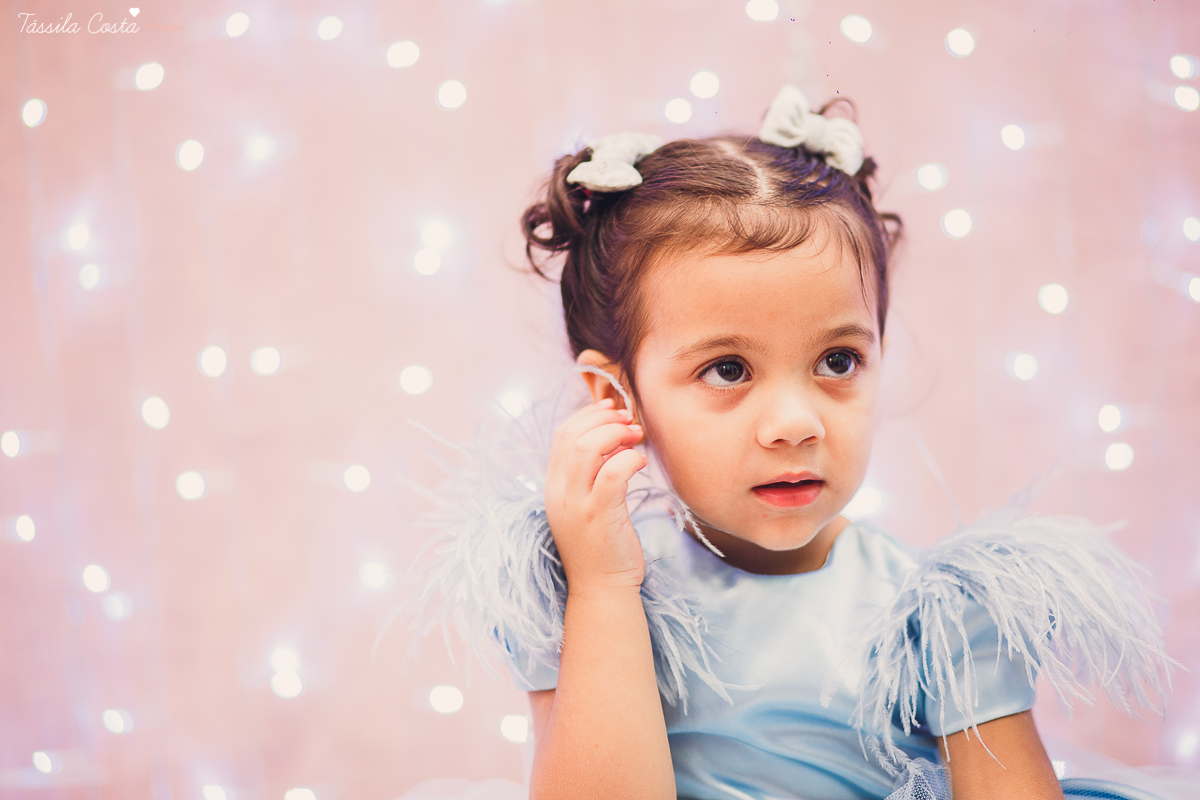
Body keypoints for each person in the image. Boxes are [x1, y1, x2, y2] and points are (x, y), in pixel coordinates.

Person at [406, 86, 1191, 800]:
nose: (795, 422)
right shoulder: (580, 590)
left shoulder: (942, 614)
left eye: (838, 361)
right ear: (619, 398)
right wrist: (605, 588)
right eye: (727, 369)